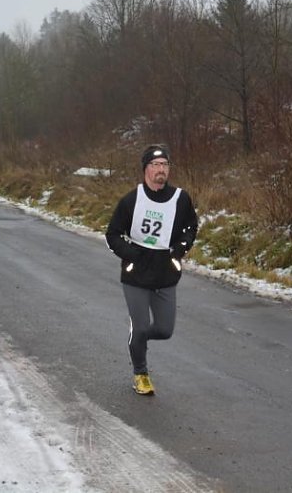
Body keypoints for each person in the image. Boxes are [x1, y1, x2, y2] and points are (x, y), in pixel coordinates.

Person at [105, 144, 198, 396]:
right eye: (156, 165)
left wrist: (181, 247)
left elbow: (191, 226)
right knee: (142, 325)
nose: (161, 170)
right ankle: (141, 374)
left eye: (165, 165)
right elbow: (112, 234)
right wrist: (131, 253)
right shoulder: (132, 199)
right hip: (136, 275)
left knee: (165, 330)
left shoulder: (181, 198)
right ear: (145, 169)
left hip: (165, 273)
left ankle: (139, 337)